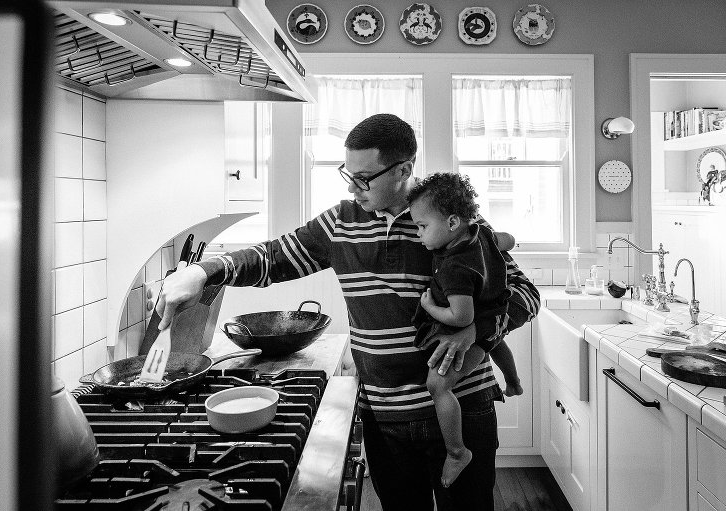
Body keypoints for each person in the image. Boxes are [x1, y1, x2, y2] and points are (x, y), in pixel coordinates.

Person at [157, 113, 540, 511]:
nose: (354, 188)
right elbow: (272, 257)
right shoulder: (340, 222)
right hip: (385, 415)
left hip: (462, 407)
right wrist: (203, 271)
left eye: (364, 178)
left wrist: (476, 330)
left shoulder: (450, 222)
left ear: (404, 169)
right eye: (348, 174)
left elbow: (526, 294)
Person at [407, 172, 523, 488]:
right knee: (496, 342)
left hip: (478, 323)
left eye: (422, 226)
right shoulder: (481, 234)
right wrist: (508, 242)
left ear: (453, 222)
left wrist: (430, 308)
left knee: (438, 385)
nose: (419, 235)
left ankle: (457, 452)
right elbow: (508, 239)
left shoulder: (454, 266)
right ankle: (512, 382)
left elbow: (461, 317)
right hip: (497, 314)